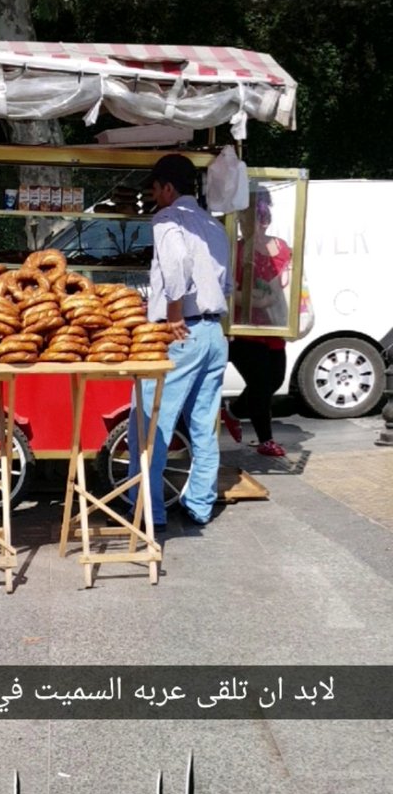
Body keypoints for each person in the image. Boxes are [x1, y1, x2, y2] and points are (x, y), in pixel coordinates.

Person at [127, 155, 232, 530]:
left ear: (168, 188)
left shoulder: (168, 219)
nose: (154, 198)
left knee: (150, 423)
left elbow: (176, 268)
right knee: (203, 426)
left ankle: (148, 511)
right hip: (213, 333)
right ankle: (200, 505)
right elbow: (226, 284)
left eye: (155, 190)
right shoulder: (213, 225)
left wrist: (172, 315)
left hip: (180, 331)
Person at [222, 193, 291, 458]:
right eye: (242, 220)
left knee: (275, 379)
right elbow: (229, 292)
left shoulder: (281, 247)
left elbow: (290, 281)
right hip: (244, 331)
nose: (244, 225)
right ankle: (265, 439)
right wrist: (256, 300)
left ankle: (233, 412)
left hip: (274, 327)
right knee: (261, 383)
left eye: (248, 219)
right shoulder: (237, 251)